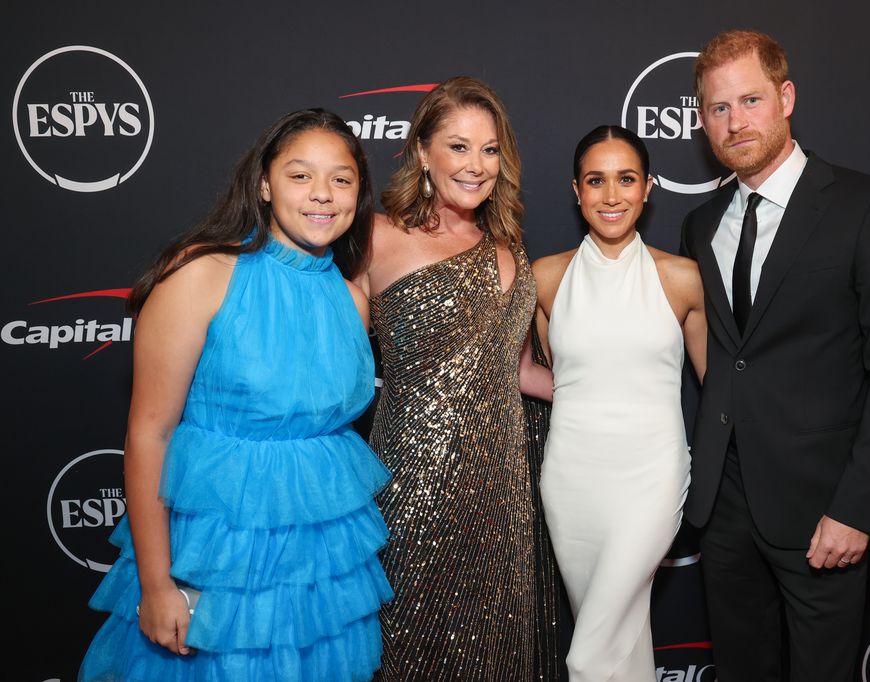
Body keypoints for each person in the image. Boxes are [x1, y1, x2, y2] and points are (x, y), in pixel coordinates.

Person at [78, 109, 392, 681]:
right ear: (266, 184)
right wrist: (155, 582)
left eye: (341, 180)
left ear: (358, 194)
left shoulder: (352, 299)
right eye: (301, 176)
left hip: (314, 578)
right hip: (214, 562)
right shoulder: (202, 273)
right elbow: (149, 432)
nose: (322, 195)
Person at [679, 30, 870, 681]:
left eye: (751, 99)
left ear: (786, 97)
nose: (735, 122)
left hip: (824, 511)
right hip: (725, 510)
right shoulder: (702, 226)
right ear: (703, 120)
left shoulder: (868, 207)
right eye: (718, 108)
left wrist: (857, 507)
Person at [354, 76, 556, 681]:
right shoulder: (377, 236)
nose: (476, 165)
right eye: (458, 146)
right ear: (422, 151)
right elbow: (329, 355)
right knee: (410, 648)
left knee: (492, 652)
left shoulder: (510, 246)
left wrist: (615, 395)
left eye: (489, 149)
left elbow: (518, 371)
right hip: (413, 488)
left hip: (502, 490)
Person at [533, 125, 707, 682]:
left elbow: (721, 384)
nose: (612, 196)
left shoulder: (682, 279)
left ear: (648, 188)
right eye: (596, 181)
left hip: (652, 475)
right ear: (576, 191)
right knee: (622, 638)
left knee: (590, 653)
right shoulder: (546, 278)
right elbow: (547, 374)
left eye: (626, 179)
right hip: (572, 476)